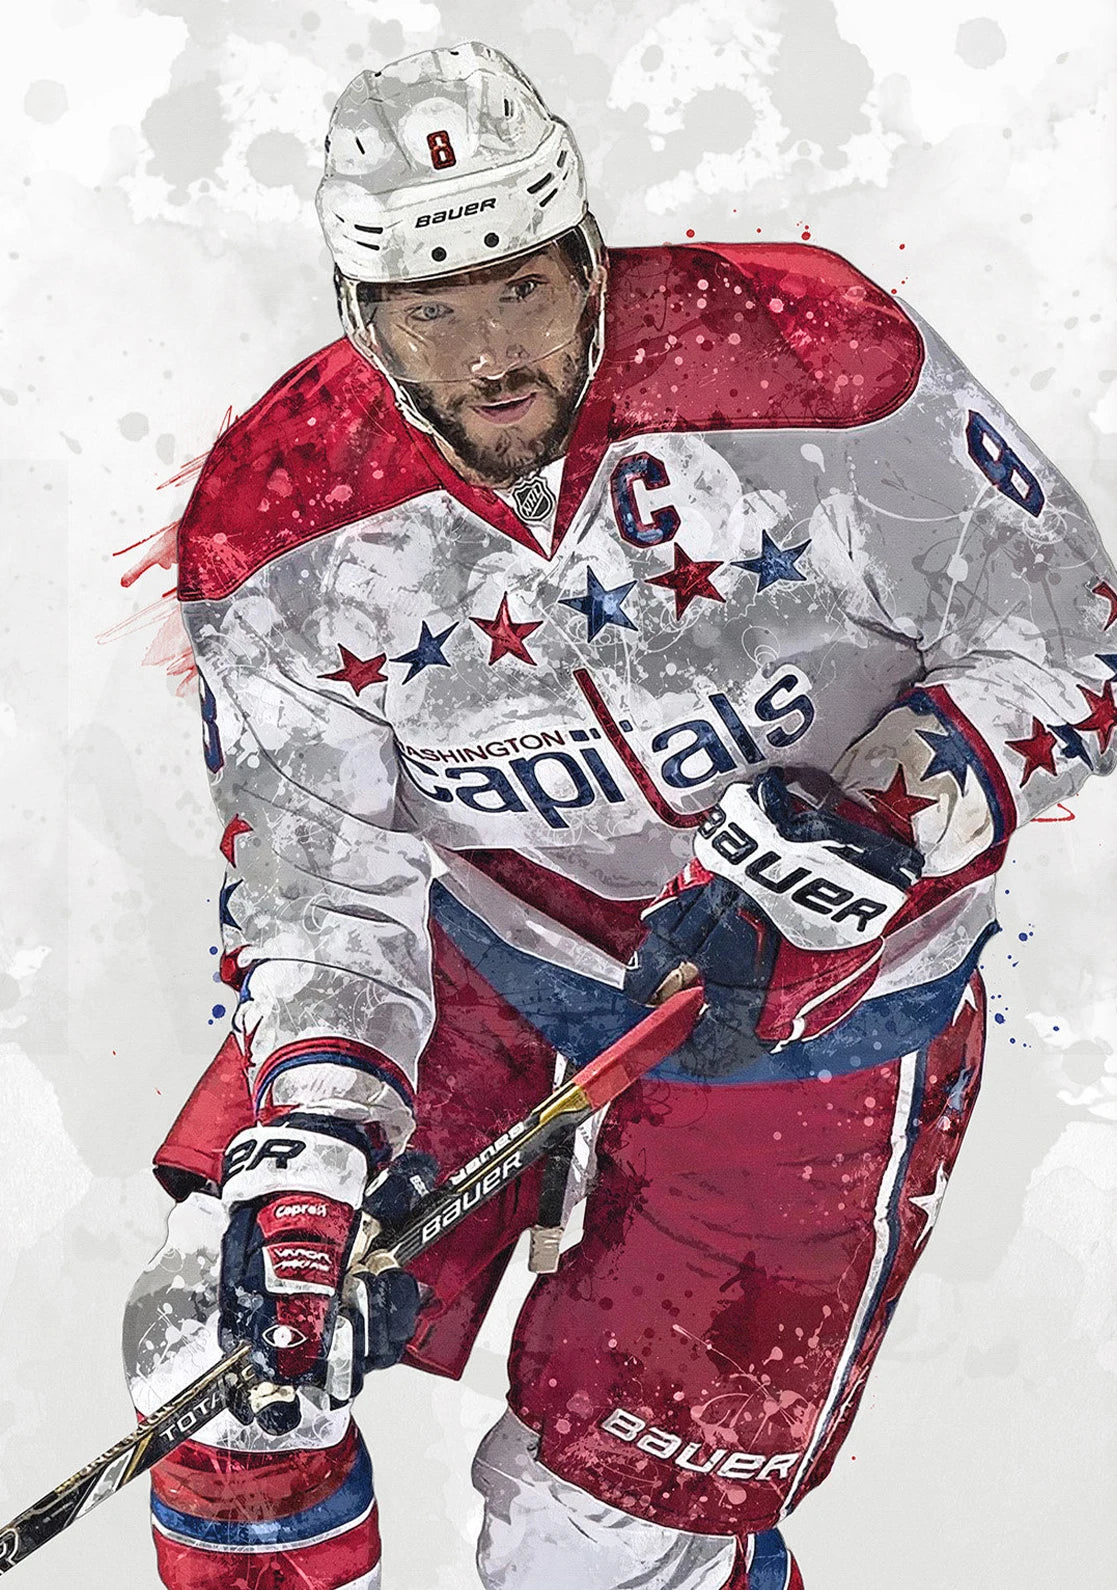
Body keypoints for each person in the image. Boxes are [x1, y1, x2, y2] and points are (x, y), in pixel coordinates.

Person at [122, 39, 1116, 1590]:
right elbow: (321, 871)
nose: (489, 351)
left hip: (817, 1001)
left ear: (589, 252)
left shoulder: (814, 360)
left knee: (593, 1539)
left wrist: (884, 813)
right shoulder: (279, 514)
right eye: (430, 312)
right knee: (223, 1335)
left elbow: (1064, 628)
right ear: (358, 317)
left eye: (522, 286)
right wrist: (313, 1146)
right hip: (488, 947)